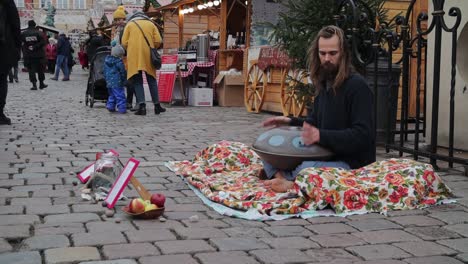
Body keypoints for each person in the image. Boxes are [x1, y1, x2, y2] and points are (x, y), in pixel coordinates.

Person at [261, 25, 376, 192]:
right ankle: (285, 178)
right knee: (268, 155)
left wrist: (320, 135)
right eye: (322, 54)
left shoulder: (357, 86)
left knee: (307, 167)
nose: (327, 58)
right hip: (325, 155)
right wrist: (291, 121)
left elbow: (362, 135)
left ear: (343, 53)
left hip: (350, 164)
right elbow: (314, 122)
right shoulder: (324, 85)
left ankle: (289, 181)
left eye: (332, 53)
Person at [121, 11, 166, 115]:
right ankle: (157, 105)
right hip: (148, 56)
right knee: (152, 80)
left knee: (137, 81)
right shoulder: (151, 24)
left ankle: (142, 107)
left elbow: (123, 42)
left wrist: (132, 46)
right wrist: (151, 46)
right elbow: (158, 40)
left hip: (134, 56)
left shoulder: (130, 25)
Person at [0, 0, 21, 125]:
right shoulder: (7, 1)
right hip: (3, 46)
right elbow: (15, 25)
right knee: (1, 79)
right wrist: (17, 47)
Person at [20, 20, 48, 90]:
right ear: (35, 25)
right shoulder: (39, 33)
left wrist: (28, 47)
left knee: (31, 70)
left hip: (28, 55)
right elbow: (43, 42)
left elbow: (20, 42)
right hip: (39, 55)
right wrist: (35, 47)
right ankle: (41, 84)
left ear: (28, 25)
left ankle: (34, 85)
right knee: (40, 70)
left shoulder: (24, 33)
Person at [104, 43, 127, 114]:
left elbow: (104, 71)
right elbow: (122, 71)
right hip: (117, 81)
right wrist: (124, 78)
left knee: (112, 95)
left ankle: (110, 106)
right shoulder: (118, 62)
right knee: (120, 95)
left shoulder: (106, 61)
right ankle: (122, 108)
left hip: (109, 82)